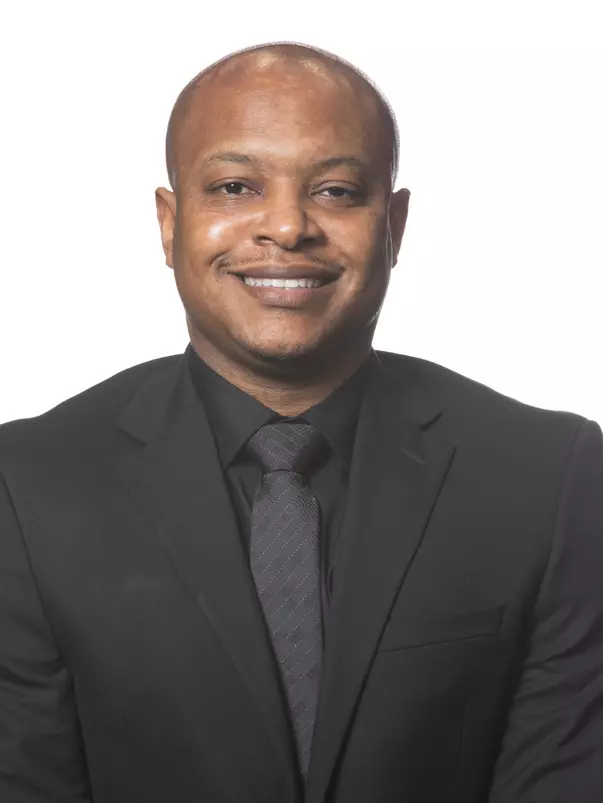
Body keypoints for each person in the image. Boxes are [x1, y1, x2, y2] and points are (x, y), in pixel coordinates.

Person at [0, 40, 602, 803]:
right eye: (234, 185)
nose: (286, 227)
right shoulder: (26, 486)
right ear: (168, 220)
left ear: (394, 224)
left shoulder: (548, 478)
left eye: (337, 191)